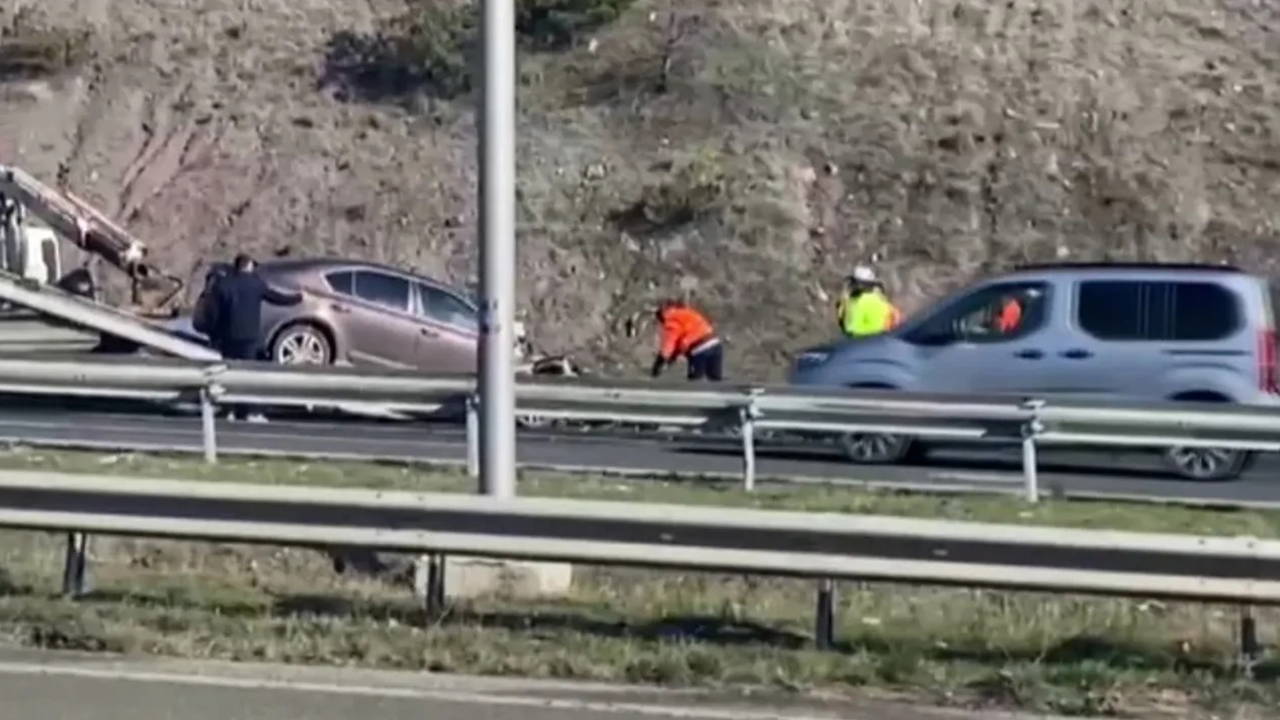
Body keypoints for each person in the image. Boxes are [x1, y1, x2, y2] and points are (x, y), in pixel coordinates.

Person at [211, 253, 303, 422]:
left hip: (228, 337)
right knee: (247, 375)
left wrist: (215, 336)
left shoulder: (223, 285)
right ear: (249, 266)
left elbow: (215, 313)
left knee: (228, 375)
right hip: (249, 338)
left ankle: (229, 410)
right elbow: (277, 298)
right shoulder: (256, 284)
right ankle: (249, 411)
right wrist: (297, 298)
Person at [650, 299, 723, 382]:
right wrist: (672, 358)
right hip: (715, 344)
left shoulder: (671, 320)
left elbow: (669, 345)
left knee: (695, 382)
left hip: (700, 350)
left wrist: (659, 364)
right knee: (715, 381)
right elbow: (678, 345)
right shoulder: (686, 313)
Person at [836, 265, 901, 337]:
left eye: (853, 283)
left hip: (864, 341)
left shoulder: (858, 301)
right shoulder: (879, 299)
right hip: (879, 341)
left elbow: (849, 328)